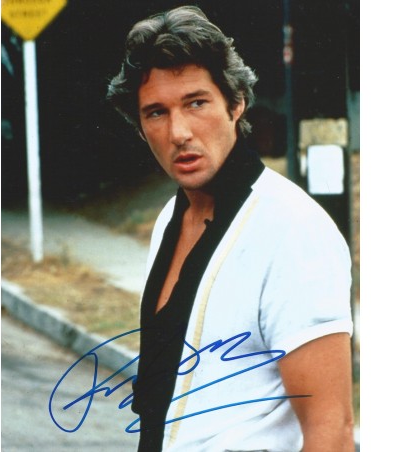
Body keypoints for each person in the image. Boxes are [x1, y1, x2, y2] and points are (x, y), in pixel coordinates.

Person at [107, 6, 355, 452]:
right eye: (156, 113)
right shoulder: (169, 218)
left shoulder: (291, 229)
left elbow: (331, 430)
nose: (179, 132)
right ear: (141, 128)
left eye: (196, 103)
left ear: (235, 104)